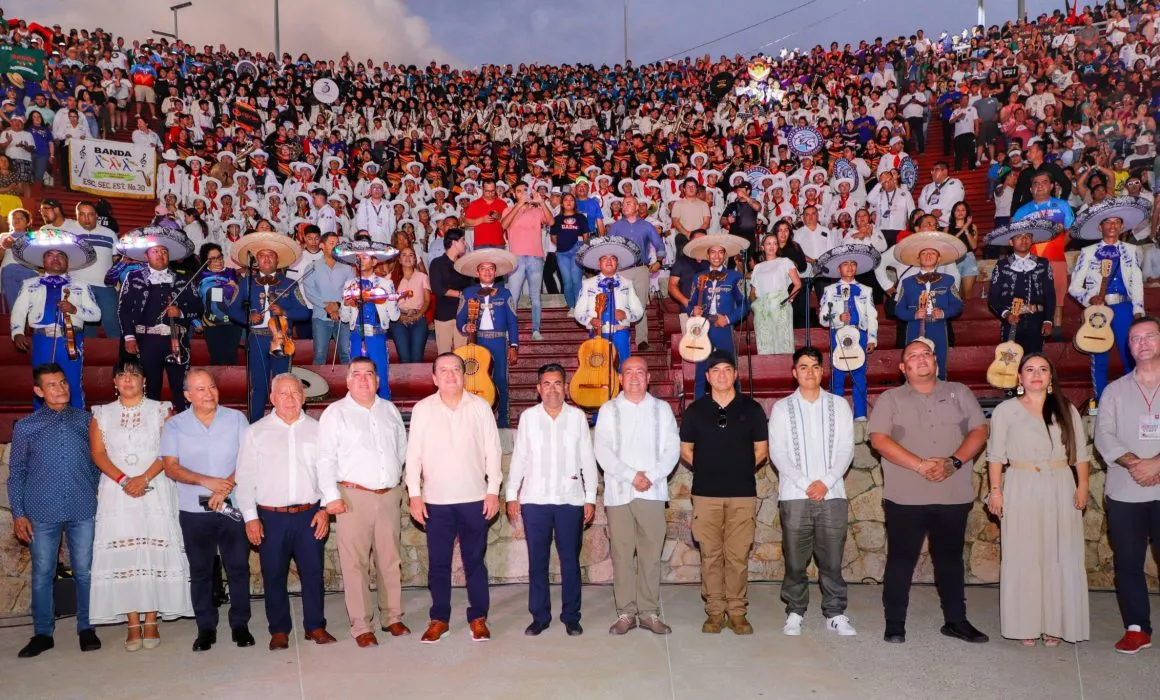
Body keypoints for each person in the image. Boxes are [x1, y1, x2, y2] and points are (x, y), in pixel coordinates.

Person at [868, 340, 990, 645]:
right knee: (901, 560)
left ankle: (956, 621)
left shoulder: (959, 392)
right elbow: (879, 440)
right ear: (902, 368)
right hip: (905, 496)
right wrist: (920, 465)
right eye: (913, 356)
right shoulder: (890, 398)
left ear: (936, 361)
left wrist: (954, 462)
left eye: (926, 354)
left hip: (952, 493)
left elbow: (980, 431)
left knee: (950, 560)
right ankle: (895, 623)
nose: (921, 359)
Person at [986, 353, 1090, 647]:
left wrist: (1082, 486)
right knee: (1024, 554)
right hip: (1021, 483)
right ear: (1019, 378)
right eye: (1029, 369)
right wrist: (996, 491)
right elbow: (995, 456)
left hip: (1060, 484)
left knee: (1060, 553)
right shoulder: (1005, 411)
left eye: (1043, 369)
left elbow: (1080, 453)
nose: (1036, 374)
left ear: (1050, 377)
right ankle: (1025, 624)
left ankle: (1056, 624)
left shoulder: (1066, 409)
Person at [88, 359, 192, 652]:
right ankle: (132, 621)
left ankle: (151, 619)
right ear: (114, 382)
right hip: (117, 490)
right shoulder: (102, 414)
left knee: (152, 550)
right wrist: (124, 480)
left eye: (134, 374)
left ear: (145, 380)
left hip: (155, 487)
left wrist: (143, 478)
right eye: (122, 375)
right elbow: (97, 452)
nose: (128, 379)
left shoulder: (161, 410)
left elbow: (169, 451)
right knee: (125, 553)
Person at [234, 372, 338, 651]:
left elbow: (329, 474)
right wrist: (251, 518)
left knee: (313, 572)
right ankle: (279, 629)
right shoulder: (255, 432)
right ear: (272, 399)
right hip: (270, 516)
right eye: (283, 393)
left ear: (304, 397)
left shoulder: (319, 431)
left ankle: (315, 626)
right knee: (274, 574)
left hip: (310, 514)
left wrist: (326, 509)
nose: (290, 398)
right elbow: (244, 478)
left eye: (295, 393)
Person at [405, 353, 503, 643]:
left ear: (464, 374)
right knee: (439, 564)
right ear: (434, 377)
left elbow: (493, 452)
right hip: (435, 502)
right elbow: (414, 455)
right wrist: (414, 495)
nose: (450, 375)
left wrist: (493, 491)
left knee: (475, 561)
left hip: (475, 499)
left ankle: (478, 618)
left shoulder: (480, 407)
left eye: (456, 370)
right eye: (443, 370)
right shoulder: (423, 409)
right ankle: (439, 618)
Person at [8, 363, 102, 658]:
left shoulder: (88, 422)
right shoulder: (26, 427)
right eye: (52, 385)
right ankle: (42, 634)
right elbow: (17, 473)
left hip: (83, 506)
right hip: (41, 510)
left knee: (86, 571)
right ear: (38, 391)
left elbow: (98, 464)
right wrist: (19, 513)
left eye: (63, 382)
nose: (60, 389)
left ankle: (87, 628)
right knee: (42, 574)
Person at [316, 357, 410, 647]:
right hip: (352, 497)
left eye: (369, 374)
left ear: (378, 380)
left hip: (388, 495)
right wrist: (331, 497)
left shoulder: (389, 410)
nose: (363, 379)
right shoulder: (336, 413)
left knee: (390, 560)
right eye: (357, 374)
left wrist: (399, 485)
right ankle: (361, 625)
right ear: (347, 381)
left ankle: (392, 617)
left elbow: (402, 451)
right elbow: (324, 459)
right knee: (355, 564)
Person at [159, 367, 253, 652]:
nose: (208, 393)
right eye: (200, 389)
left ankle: (240, 624)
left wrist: (224, 488)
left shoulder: (236, 419)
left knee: (237, 567)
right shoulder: (174, 426)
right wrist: (206, 481)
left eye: (211, 387)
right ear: (187, 395)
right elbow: (171, 467)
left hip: (232, 507)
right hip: (193, 510)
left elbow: (249, 458)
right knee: (200, 570)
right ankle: (205, 628)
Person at [679, 350, 769, 635]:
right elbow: (686, 450)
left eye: (726, 370)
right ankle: (715, 612)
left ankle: (738, 611)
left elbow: (761, 451)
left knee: (738, 554)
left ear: (735, 374)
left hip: (742, 494)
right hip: (706, 494)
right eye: (715, 371)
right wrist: (708, 468)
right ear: (707, 377)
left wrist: (738, 468)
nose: (721, 375)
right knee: (711, 555)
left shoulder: (752, 409)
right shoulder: (695, 411)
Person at [769, 347, 856, 637]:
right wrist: (807, 482)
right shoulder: (782, 408)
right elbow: (778, 453)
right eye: (803, 367)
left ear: (823, 371)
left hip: (832, 495)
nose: (810, 372)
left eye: (815, 366)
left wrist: (826, 481)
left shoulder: (839, 405)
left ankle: (835, 613)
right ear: (794, 372)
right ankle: (795, 611)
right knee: (795, 559)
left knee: (831, 559)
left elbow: (846, 448)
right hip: (795, 494)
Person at [506, 363, 597, 636]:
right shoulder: (528, 418)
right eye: (546, 384)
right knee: (538, 562)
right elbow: (519, 458)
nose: (552, 389)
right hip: (535, 500)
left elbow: (587, 460)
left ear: (565, 387)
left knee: (570, 561)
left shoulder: (577, 417)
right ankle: (540, 616)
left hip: (571, 500)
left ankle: (571, 616)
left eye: (557, 383)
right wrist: (512, 494)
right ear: (538, 388)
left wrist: (590, 497)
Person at [593, 355, 680, 635]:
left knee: (650, 556)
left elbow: (671, 449)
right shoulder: (608, 409)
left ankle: (650, 612)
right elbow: (602, 450)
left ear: (648, 378)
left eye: (640, 372)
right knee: (622, 555)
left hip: (653, 493)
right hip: (620, 493)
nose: (634, 377)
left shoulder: (662, 409)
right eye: (628, 372)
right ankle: (626, 613)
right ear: (619, 378)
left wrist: (650, 477)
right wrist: (632, 476)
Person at [1094, 316, 1160, 654]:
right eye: (1135, 338)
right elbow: (1103, 434)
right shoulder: (1115, 390)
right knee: (1128, 562)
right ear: (1129, 347)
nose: (1143, 343)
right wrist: (1136, 463)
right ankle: (1136, 627)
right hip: (1125, 491)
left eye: (1150, 336)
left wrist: (1157, 463)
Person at [9, 230, 100, 408]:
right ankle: (42, 429)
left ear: (68, 261)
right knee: (42, 385)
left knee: (72, 383)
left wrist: (74, 309)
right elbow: (19, 310)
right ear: (43, 261)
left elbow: (96, 314)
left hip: (71, 340)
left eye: (60, 255)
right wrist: (17, 332)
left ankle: (78, 428)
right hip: (42, 339)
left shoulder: (81, 286)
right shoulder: (29, 284)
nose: (55, 259)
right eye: (50, 255)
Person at [225, 232, 309, 422]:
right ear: (257, 260)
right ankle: (255, 423)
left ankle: (284, 419)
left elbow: (304, 312)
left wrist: (285, 312)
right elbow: (233, 310)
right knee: (259, 384)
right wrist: (248, 318)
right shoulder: (246, 283)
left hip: (281, 338)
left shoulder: (289, 283)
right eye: (262, 256)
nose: (266, 259)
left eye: (270, 255)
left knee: (283, 383)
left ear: (277, 260)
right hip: (256, 337)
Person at [117, 229, 200, 412]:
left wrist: (180, 312)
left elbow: (198, 308)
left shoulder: (183, 279)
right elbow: (124, 310)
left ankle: (184, 427)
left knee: (181, 387)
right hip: (146, 342)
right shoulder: (134, 277)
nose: (160, 255)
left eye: (164, 251)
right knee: (149, 388)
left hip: (176, 340)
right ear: (146, 255)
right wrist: (129, 337)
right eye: (155, 251)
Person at [1069, 206, 1147, 401]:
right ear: (1100, 227)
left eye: (1116, 222)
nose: (1112, 226)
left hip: (1124, 307)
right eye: (1108, 222)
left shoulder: (1132, 250)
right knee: (1099, 355)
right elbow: (1074, 287)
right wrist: (1089, 298)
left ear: (1122, 226)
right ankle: (1102, 401)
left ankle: (1137, 398)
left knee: (1131, 354)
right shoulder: (1087, 252)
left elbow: (1136, 282)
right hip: (1099, 310)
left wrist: (1138, 310)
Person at [455, 248, 520, 429]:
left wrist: (513, 345)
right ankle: (474, 420)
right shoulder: (467, 293)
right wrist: (465, 327)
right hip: (477, 342)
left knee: (500, 379)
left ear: (495, 272)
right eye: (483, 268)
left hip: (498, 341)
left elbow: (513, 321)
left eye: (491, 268)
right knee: (475, 379)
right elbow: (459, 318)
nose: (487, 272)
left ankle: (503, 421)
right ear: (477, 273)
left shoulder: (504, 293)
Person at [817, 244, 881, 420]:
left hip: (858, 334)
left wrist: (871, 339)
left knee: (859, 375)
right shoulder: (829, 291)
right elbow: (822, 318)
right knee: (837, 375)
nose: (850, 267)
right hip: (838, 334)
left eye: (853, 264)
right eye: (845, 264)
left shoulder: (866, 290)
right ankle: (837, 415)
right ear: (839, 268)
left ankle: (860, 415)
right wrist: (838, 318)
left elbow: (872, 316)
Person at [683, 233, 749, 398]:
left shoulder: (735, 276)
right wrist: (693, 311)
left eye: (720, 252)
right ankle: (698, 410)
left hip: (723, 329)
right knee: (701, 372)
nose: (717, 256)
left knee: (729, 368)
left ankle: (735, 406)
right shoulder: (698, 277)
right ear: (707, 255)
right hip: (703, 329)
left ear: (725, 255)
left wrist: (727, 319)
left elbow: (745, 304)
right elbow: (690, 303)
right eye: (713, 252)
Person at [893, 231, 966, 380]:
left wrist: (944, 313)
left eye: (932, 253)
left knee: (939, 363)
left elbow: (958, 305)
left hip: (938, 327)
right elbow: (899, 309)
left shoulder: (948, 280)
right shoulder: (907, 282)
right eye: (924, 253)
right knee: (913, 365)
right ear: (918, 258)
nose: (928, 256)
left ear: (939, 258)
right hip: (914, 327)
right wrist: (913, 315)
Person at [336, 240, 400, 400]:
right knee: (356, 378)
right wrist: (345, 304)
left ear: (374, 261)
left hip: (377, 336)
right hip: (356, 335)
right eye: (358, 257)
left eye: (364, 257)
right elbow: (344, 318)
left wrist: (389, 299)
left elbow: (394, 316)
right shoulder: (349, 284)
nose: (360, 260)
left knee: (381, 378)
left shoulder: (386, 283)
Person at [1013, 172, 1076, 331]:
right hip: (1030, 261)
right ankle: (1032, 330)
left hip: (1056, 257)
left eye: (1044, 182)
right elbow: (1012, 236)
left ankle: (1057, 332)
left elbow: (1071, 230)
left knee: (1058, 295)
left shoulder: (1062, 205)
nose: (1039, 186)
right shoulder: (1021, 212)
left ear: (1052, 186)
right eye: (1036, 183)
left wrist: (1059, 246)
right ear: (1030, 188)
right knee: (1032, 296)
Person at [984, 221, 1057, 355]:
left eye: (1028, 236)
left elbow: (1049, 294)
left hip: (1037, 321)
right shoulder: (1002, 265)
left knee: (1033, 359)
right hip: (1010, 321)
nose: (1024, 240)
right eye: (1018, 237)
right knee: (1009, 363)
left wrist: (1048, 320)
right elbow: (993, 298)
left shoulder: (1043, 263)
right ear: (1011, 242)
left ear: (1032, 240)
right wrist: (1007, 315)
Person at [571, 236, 644, 365]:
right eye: (605, 258)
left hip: (620, 332)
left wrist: (626, 315)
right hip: (598, 333)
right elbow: (578, 311)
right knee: (598, 368)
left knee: (623, 365)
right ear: (598, 264)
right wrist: (590, 320)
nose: (609, 261)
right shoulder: (588, 284)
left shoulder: (627, 283)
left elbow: (638, 310)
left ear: (617, 264)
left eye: (613, 258)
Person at [606, 195, 665, 351]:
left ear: (637, 207)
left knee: (639, 306)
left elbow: (659, 244)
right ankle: (619, 339)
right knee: (619, 305)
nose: (624, 206)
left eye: (629, 203)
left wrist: (659, 261)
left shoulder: (646, 226)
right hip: (620, 271)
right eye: (624, 204)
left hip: (640, 269)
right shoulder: (616, 226)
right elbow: (607, 247)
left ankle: (641, 341)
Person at [502, 182, 553, 340]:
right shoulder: (509, 209)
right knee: (513, 296)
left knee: (535, 296)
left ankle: (536, 330)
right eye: (519, 191)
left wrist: (542, 202)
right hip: (516, 258)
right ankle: (510, 331)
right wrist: (519, 205)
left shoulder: (537, 210)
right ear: (514, 194)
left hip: (535, 257)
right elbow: (503, 225)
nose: (523, 193)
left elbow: (551, 222)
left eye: (525, 190)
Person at [65, 200, 120, 340]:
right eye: (82, 214)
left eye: (90, 214)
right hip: (78, 286)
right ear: (76, 215)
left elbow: (115, 259)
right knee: (86, 325)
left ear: (96, 215)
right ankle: (87, 357)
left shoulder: (110, 233)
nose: (86, 218)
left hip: (105, 285)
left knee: (112, 321)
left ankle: (120, 358)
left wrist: (116, 280)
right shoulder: (68, 233)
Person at [303, 232, 354, 365]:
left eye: (337, 244)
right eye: (332, 244)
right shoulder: (312, 267)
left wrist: (338, 305)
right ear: (322, 246)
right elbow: (309, 292)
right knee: (320, 355)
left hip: (343, 316)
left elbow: (351, 291)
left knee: (346, 354)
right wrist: (327, 307)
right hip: (320, 316)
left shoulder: (348, 268)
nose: (335, 246)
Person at [750, 232, 802, 355]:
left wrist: (789, 300)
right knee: (764, 341)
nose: (772, 246)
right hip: (762, 308)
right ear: (762, 247)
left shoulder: (785, 261)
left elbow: (798, 284)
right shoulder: (758, 267)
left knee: (783, 342)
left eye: (775, 243)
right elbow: (753, 292)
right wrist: (755, 305)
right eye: (768, 244)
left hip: (780, 305)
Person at [195, 243, 243, 365]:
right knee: (216, 357)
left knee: (231, 357)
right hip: (211, 323)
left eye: (220, 257)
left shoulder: (233, 274)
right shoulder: (198, 276)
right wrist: (195, 322)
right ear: (206, 261)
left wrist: (237, 288)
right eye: (213, 259)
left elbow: (243, 298)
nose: (218, 261)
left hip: (233, 322)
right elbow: (193, 301)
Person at [429, 228, 471, 353]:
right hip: (444, 315)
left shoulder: (464, 265)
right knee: (444, 354)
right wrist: (461, 294)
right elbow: (437, 288)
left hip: (462, 315)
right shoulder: (437, 263)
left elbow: (471, 287)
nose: (465, 244)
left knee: (462, 354)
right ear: (454, 242)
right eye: (463, 240)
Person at [389, 246, 431, 363]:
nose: (408, 258)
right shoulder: (391, 278)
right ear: (399, 260)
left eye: (411, 255)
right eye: (404, 255)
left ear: (415, 259)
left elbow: (427, 300)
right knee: (404, 358)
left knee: (417, 357)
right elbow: (388, 302)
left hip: (418, 318)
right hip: (398, 319)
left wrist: (419, 314)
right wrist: (400, 317)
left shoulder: (423, 277)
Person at [550, 192, 590, 308]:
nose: (568, 202)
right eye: (566, 200)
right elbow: (553, 238)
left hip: (577, 251)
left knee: (576, 279)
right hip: (562, 254)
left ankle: (579, 307)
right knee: (567, 282)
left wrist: (583, 250)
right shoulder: (556, 219)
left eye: (571, 200)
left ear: (575, 203)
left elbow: (586, 236)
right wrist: (563, 245)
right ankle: (572, 307)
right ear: (562, 203)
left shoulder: (581, 217)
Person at [666, 229, 709, 332]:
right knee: (690, 346)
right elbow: (672, 286)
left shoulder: (712, 262)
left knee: (711, 346)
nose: (699, 243)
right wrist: (687, 303)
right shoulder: (681, 262)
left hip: (710, 312)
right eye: (696, 240)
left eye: (703, 240)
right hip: (687, 311)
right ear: (690, 242)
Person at [463, 179, 507, 249]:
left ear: (495, 189)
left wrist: (500, 217)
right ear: (482, 189)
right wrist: (482, 220)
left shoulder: (502, 204)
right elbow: (466, 222)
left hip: (499, 243)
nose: (490, 193)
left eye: (492, 191)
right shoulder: (475, 204)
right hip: (480, 244)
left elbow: (508, 224)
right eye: (487, 191)